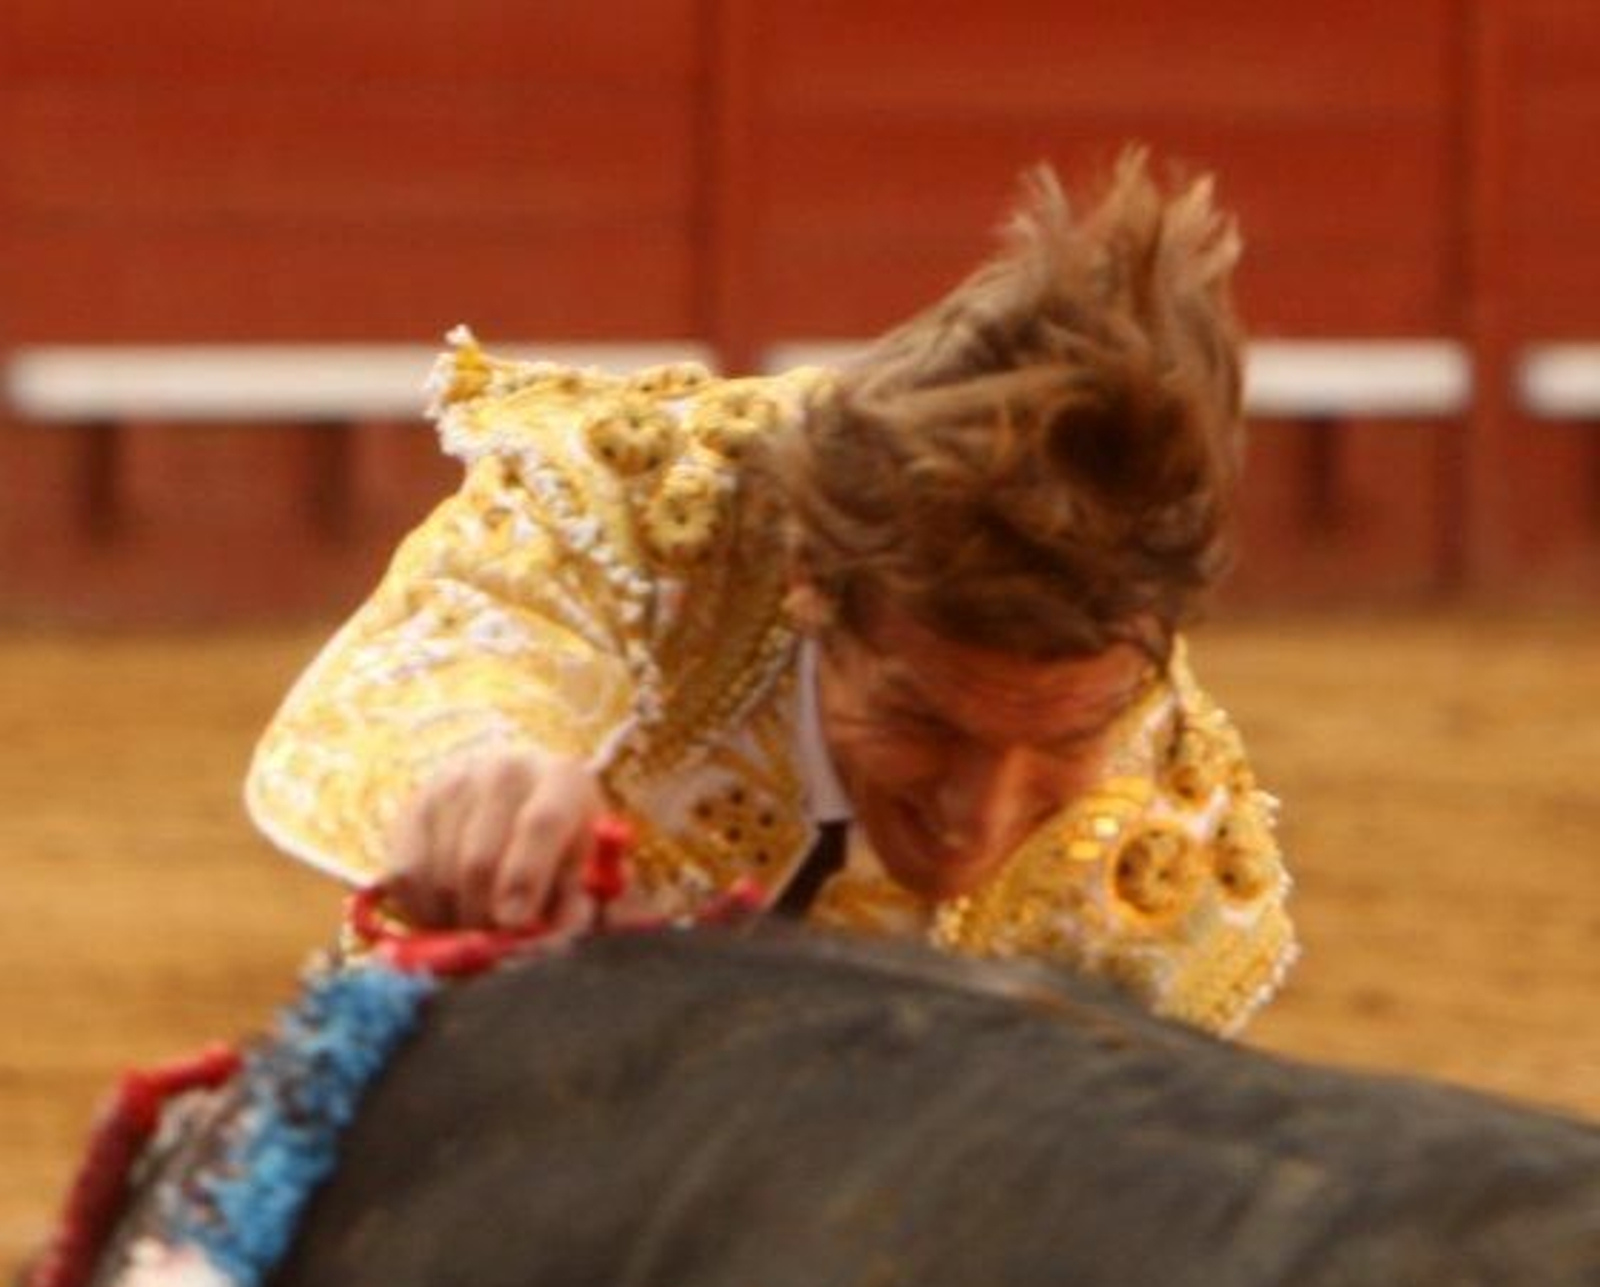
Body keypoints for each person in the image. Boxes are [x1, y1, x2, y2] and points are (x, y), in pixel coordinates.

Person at [246, 148, 1297, 1036]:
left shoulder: (1163, 830)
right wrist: (479, 767)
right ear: (811, 584)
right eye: (922, 719)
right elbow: (460, 659)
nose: (974, 817)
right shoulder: (642, 511)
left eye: (1064, 741)